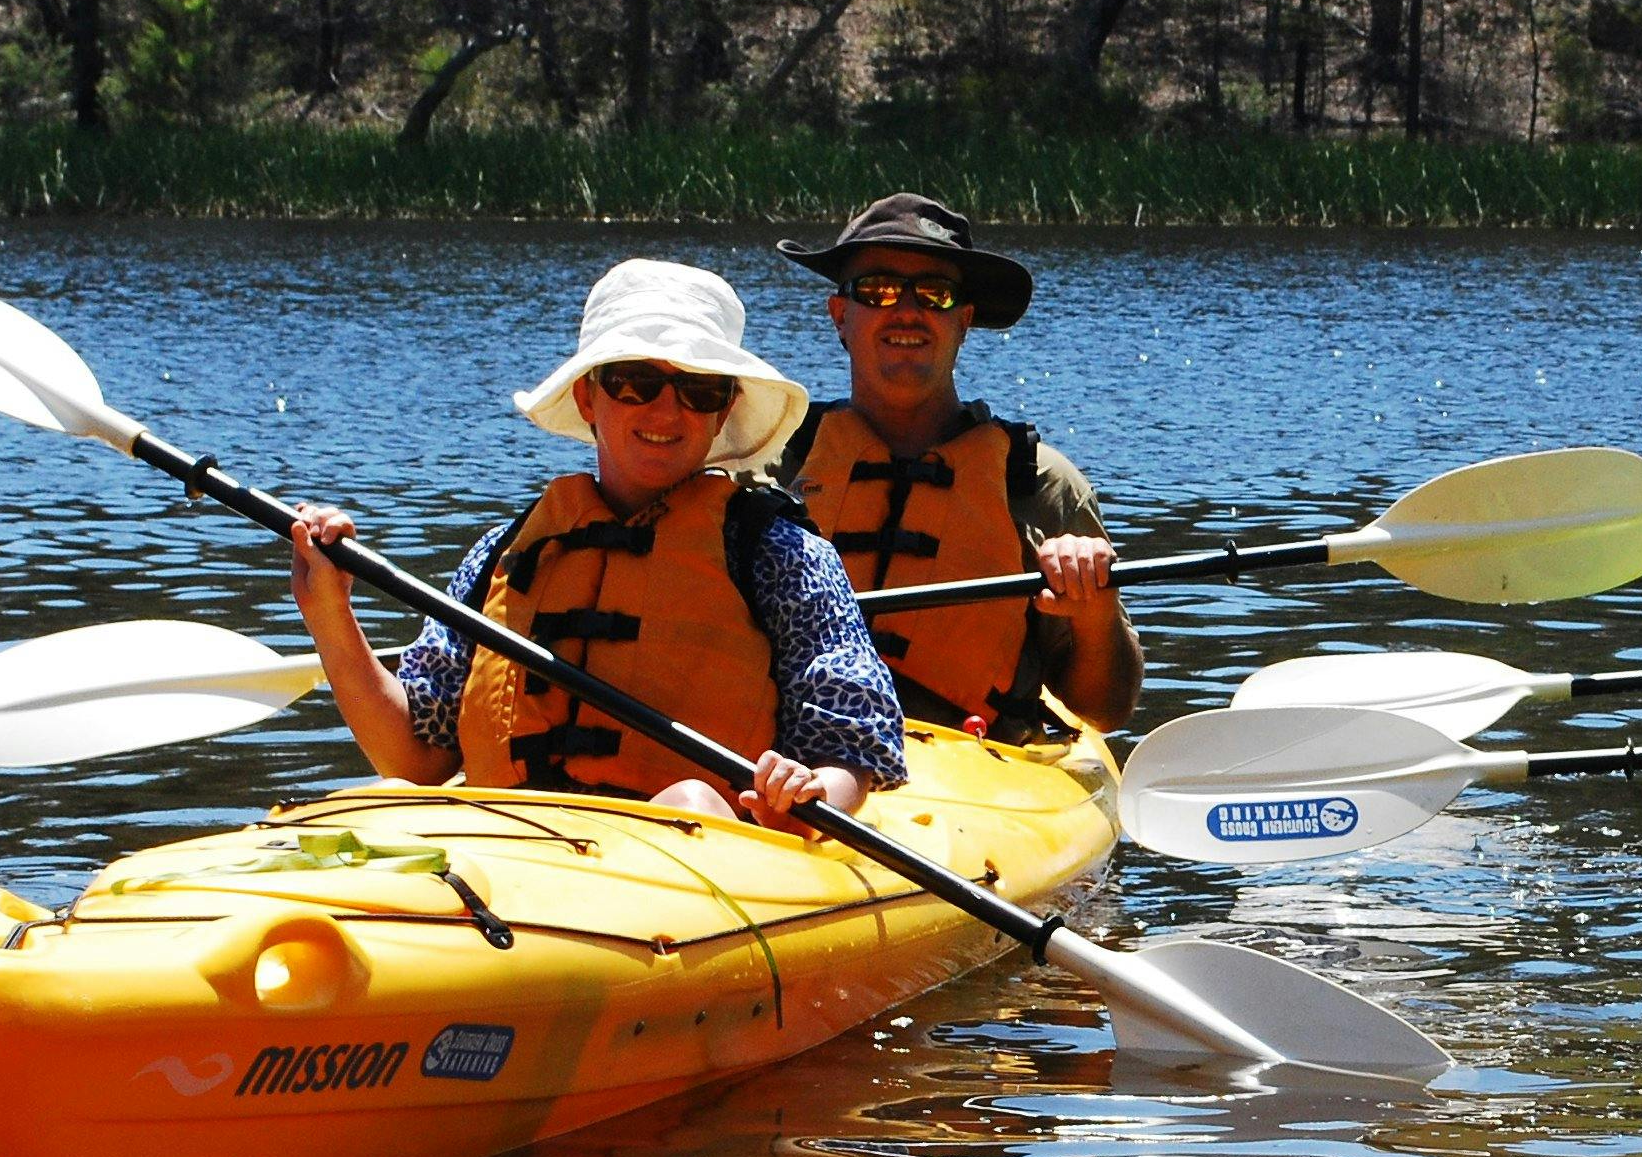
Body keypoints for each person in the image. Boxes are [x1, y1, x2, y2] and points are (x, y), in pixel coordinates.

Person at [280, 258, 907, 826]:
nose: (667, 413)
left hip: (700, 851)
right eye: (636, 383)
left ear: (722, 412)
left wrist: (817, 784)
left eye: (699, 391)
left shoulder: (778, 554)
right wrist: (330, 614)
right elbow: (415, 759)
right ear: (588, 396)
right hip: (517, 846)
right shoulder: (507, 551)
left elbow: (853, 743)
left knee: (687, 799)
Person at [773, 193, 1140, 738]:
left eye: (935, 294)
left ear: (964, 320)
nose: (907, 311)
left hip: (973, 774)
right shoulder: (767, 473)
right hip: (798, 762)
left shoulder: (1039, 483)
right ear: (839, 316)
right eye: (877, 289)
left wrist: (1095, 612)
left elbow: (1105, 711)